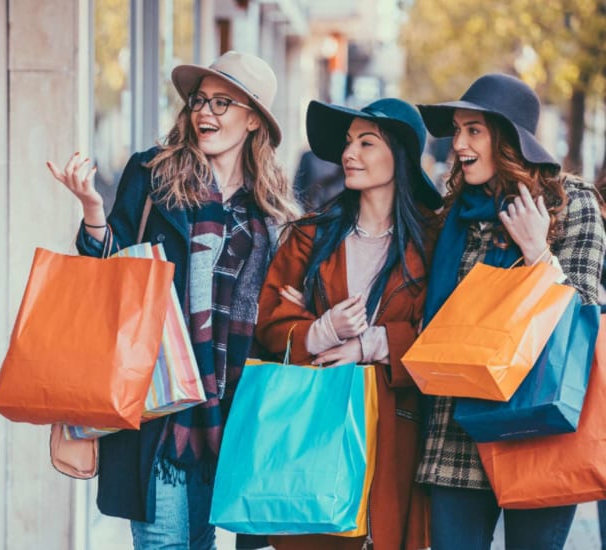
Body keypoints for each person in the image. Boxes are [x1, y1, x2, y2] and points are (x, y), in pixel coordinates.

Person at [47, 50, 301, 549]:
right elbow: (112, 270)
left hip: (231, 408)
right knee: (164, 542)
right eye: (199, 101)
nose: (205, 113)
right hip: (159, 399)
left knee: (202, 543)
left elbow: (274, 311)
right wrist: (93, 211)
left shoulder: (271, 210)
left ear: (254, 120)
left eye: (223, 103)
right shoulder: (154, 175)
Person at [414, 73, 606, 550]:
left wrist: (538, 252)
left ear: (508, 139)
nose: (458, 143)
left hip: (537, 423)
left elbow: (585, 309)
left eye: (473, 130)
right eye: (457, 130)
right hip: (457, 424)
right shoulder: (453, 211)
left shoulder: (571, 202)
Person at [254, 98, 442, 550]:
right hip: (316, 425)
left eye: (366, 142)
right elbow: (268, 320)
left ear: (399, 155)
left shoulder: (434, 242)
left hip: (397, 431)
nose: (349, 154)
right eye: (347, 143)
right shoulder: (310, 234)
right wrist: (321, 330)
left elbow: (443, 333)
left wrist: (371, 343)